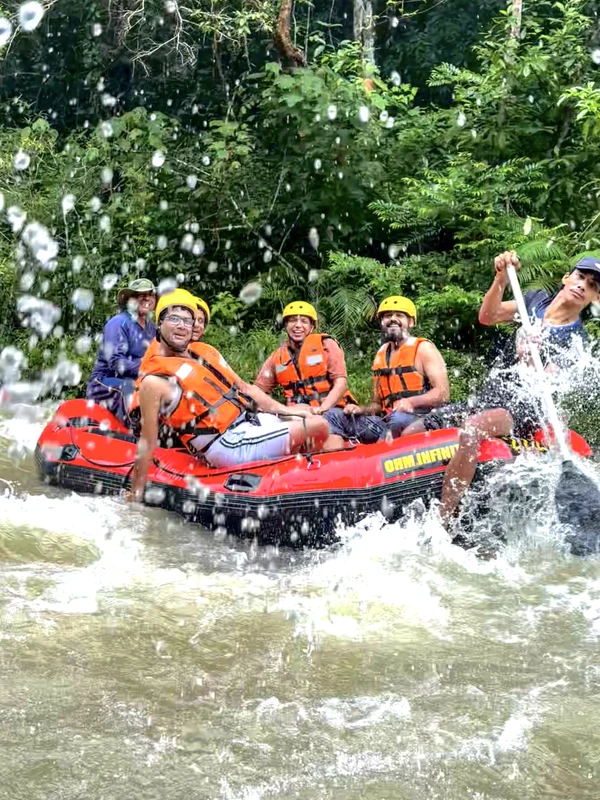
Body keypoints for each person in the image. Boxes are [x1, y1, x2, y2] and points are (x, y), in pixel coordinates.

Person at [407, 251, 600, 523]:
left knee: (473, 429)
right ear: (567, 278)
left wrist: (532, 360)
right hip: (493, 394)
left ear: (596, 298)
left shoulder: (575, 339)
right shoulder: (532, 300)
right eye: (581, 277)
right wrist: (500, 280)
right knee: (414, 429)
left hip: (526, 408)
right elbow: (488, 316)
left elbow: (547, 383)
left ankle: (444, 520)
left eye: (593, 286)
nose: (583, 285)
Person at [129, 290, 329, 502]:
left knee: (305, 413)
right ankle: (297, 482)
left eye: (188, 321)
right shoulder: (154, 381)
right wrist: (136, 495)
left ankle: (295, 464)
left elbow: (246, 389)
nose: (182, 325)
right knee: (318, 426)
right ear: (159, 324)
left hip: (248, 422)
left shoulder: (203, 352)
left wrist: (286, 411)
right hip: (226, 444)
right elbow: (147, 443)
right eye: (174, 319)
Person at [325, 295, 449, 444]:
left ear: (411, 322)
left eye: (399, 315)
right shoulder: (381, 354)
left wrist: (411, 402)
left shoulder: (423, 349)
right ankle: (338, 461)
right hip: (387, 422)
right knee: (333, 415)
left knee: (398, 419)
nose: (392, 319)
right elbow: (378, 405)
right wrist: (360, 409)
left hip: (421, 419)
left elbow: (442, 394)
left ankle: (379, 456)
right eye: (388, 316)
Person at [254, 301, 356, 449]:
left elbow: (341, 383)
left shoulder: (326, 345)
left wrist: (322, 409)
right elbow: (257, 391)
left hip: (331, 411)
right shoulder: (277, 357)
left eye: (304, 321)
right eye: (292, 320)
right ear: (285, 325)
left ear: (312, 326)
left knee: (326, 433)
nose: (298, 325)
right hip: (298, 415)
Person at [87, 278, 157, 422]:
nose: (146, 298)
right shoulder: (118, 323)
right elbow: (116, 363)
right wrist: (148, 369)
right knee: (130, 388)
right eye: (139, 295)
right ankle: (128, 437)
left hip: (139, 382)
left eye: (150, 294)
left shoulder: (153, 329)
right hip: (105, 383)